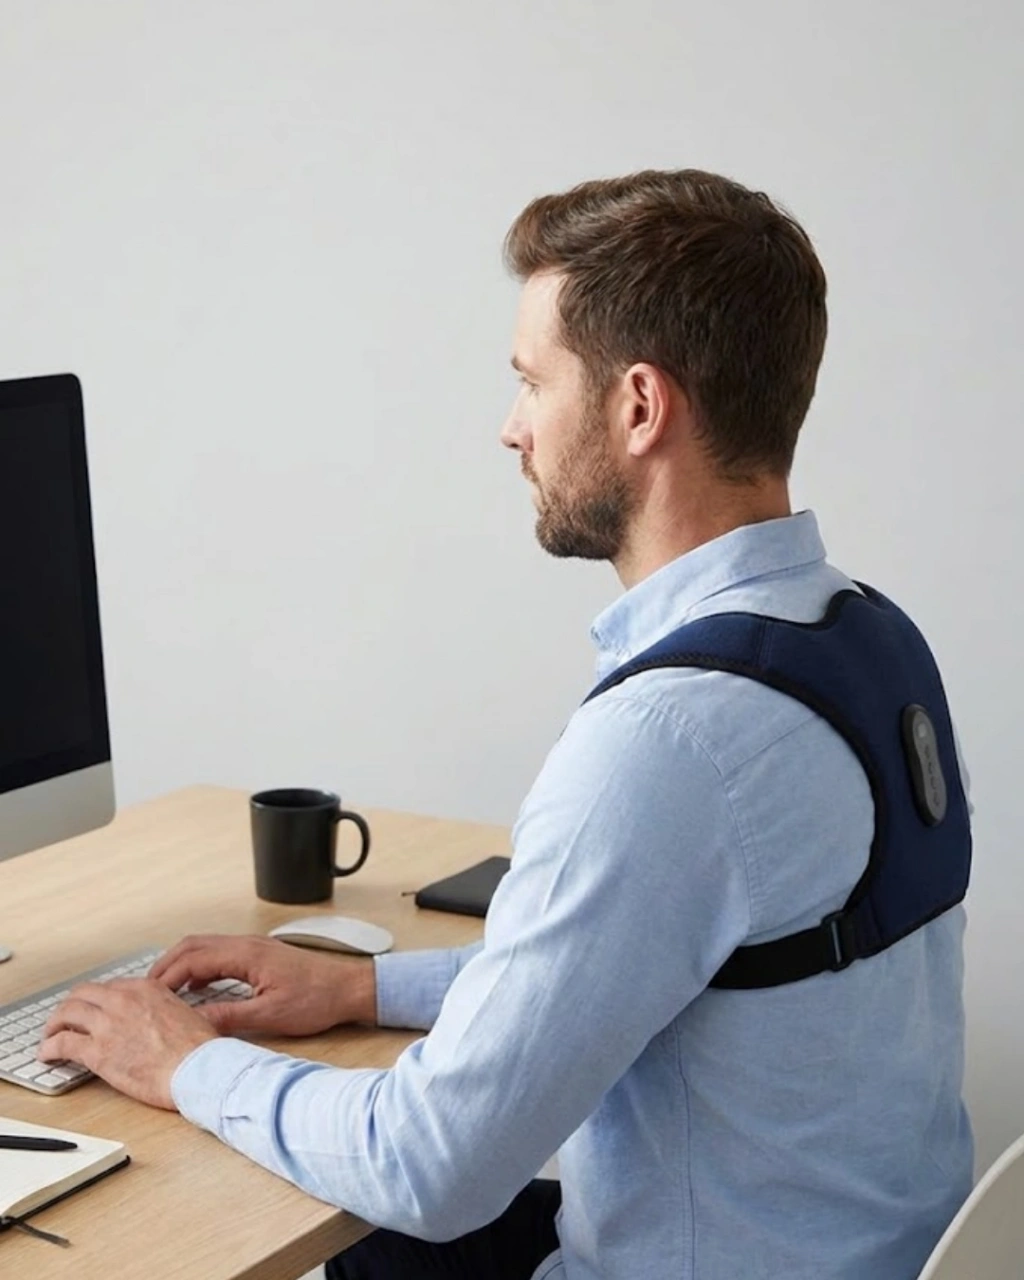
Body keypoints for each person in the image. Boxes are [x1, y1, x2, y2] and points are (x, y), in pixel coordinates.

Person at [38, 169, 973, 1280]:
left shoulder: (671, 739)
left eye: (532, 383)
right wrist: (362, 987)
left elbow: (428, 1166)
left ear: (638, 406)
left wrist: (183, 1060)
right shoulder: (863, 642)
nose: (511, 430)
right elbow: (631, 962)